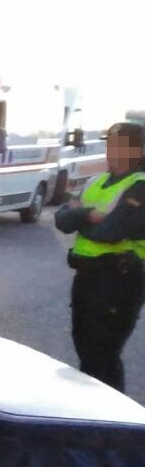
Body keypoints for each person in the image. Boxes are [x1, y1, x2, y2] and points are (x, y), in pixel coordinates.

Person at [56, 121, 145, 390]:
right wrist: (87, 215)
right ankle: (91, 416)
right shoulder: (96, 181)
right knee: (86, 350)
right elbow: (61, 219)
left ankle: (112, 423)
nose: (112, 149)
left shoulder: (140, 186)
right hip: (88, 279)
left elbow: (110, 231)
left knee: (102, 354)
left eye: (120, 144)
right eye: (110, 143)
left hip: (119, 280)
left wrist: (79, 215)